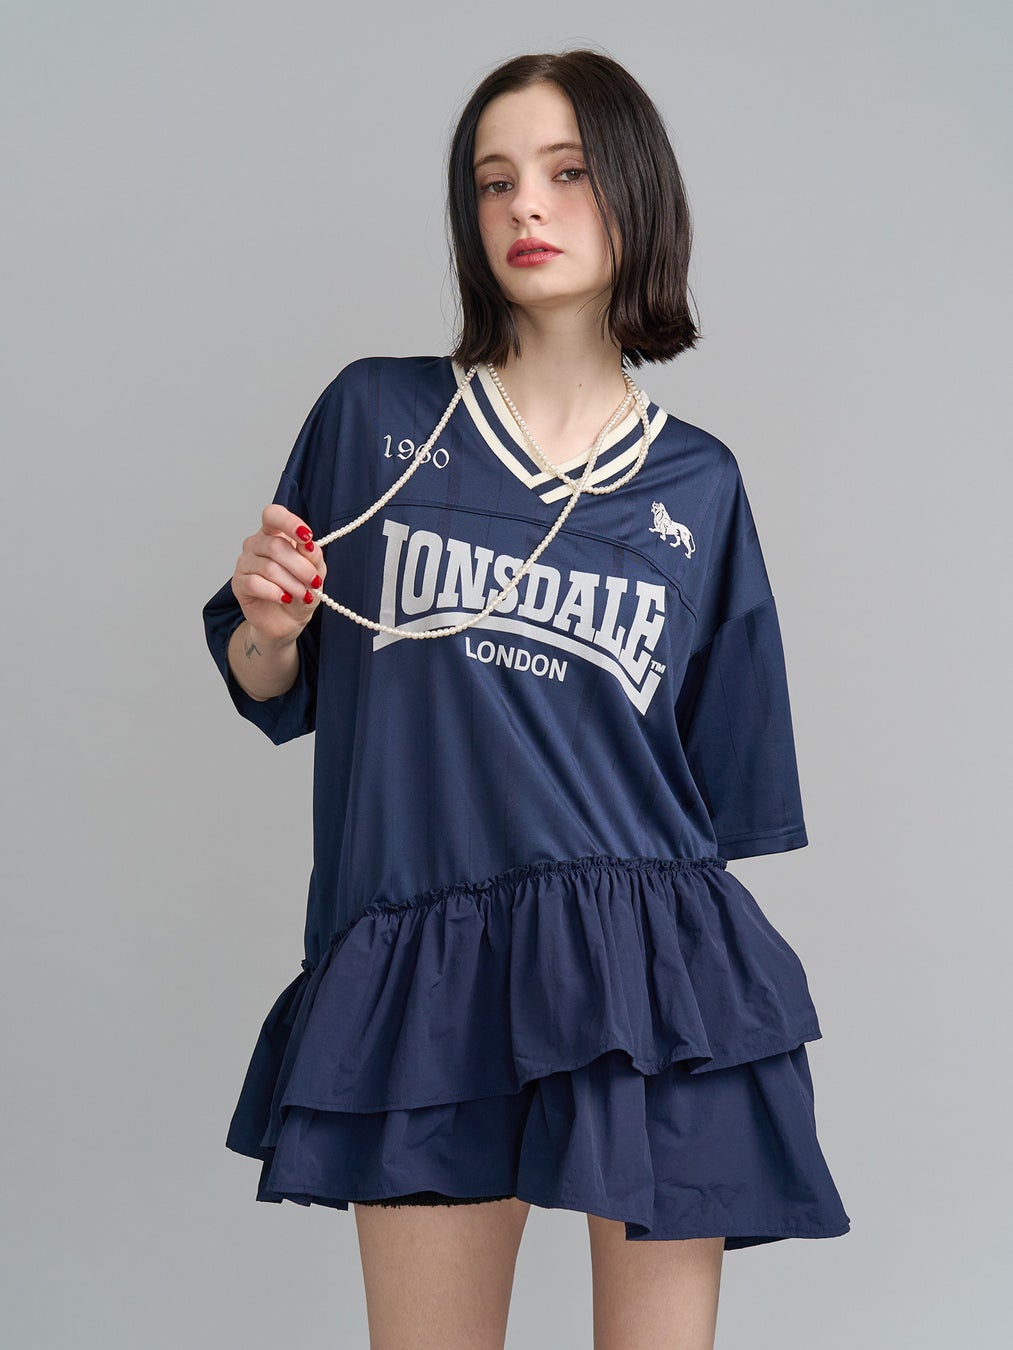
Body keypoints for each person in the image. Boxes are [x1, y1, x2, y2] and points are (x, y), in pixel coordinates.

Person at [203, 48, 850, 1350]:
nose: (525, 207)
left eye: (565, 172)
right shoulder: (374, 415)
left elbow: (714, 798)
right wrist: (268, 629)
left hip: (645, 969)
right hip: (422, 960)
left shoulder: (698, 485)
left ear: (635, 192)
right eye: (494, 181)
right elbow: (269, 676)